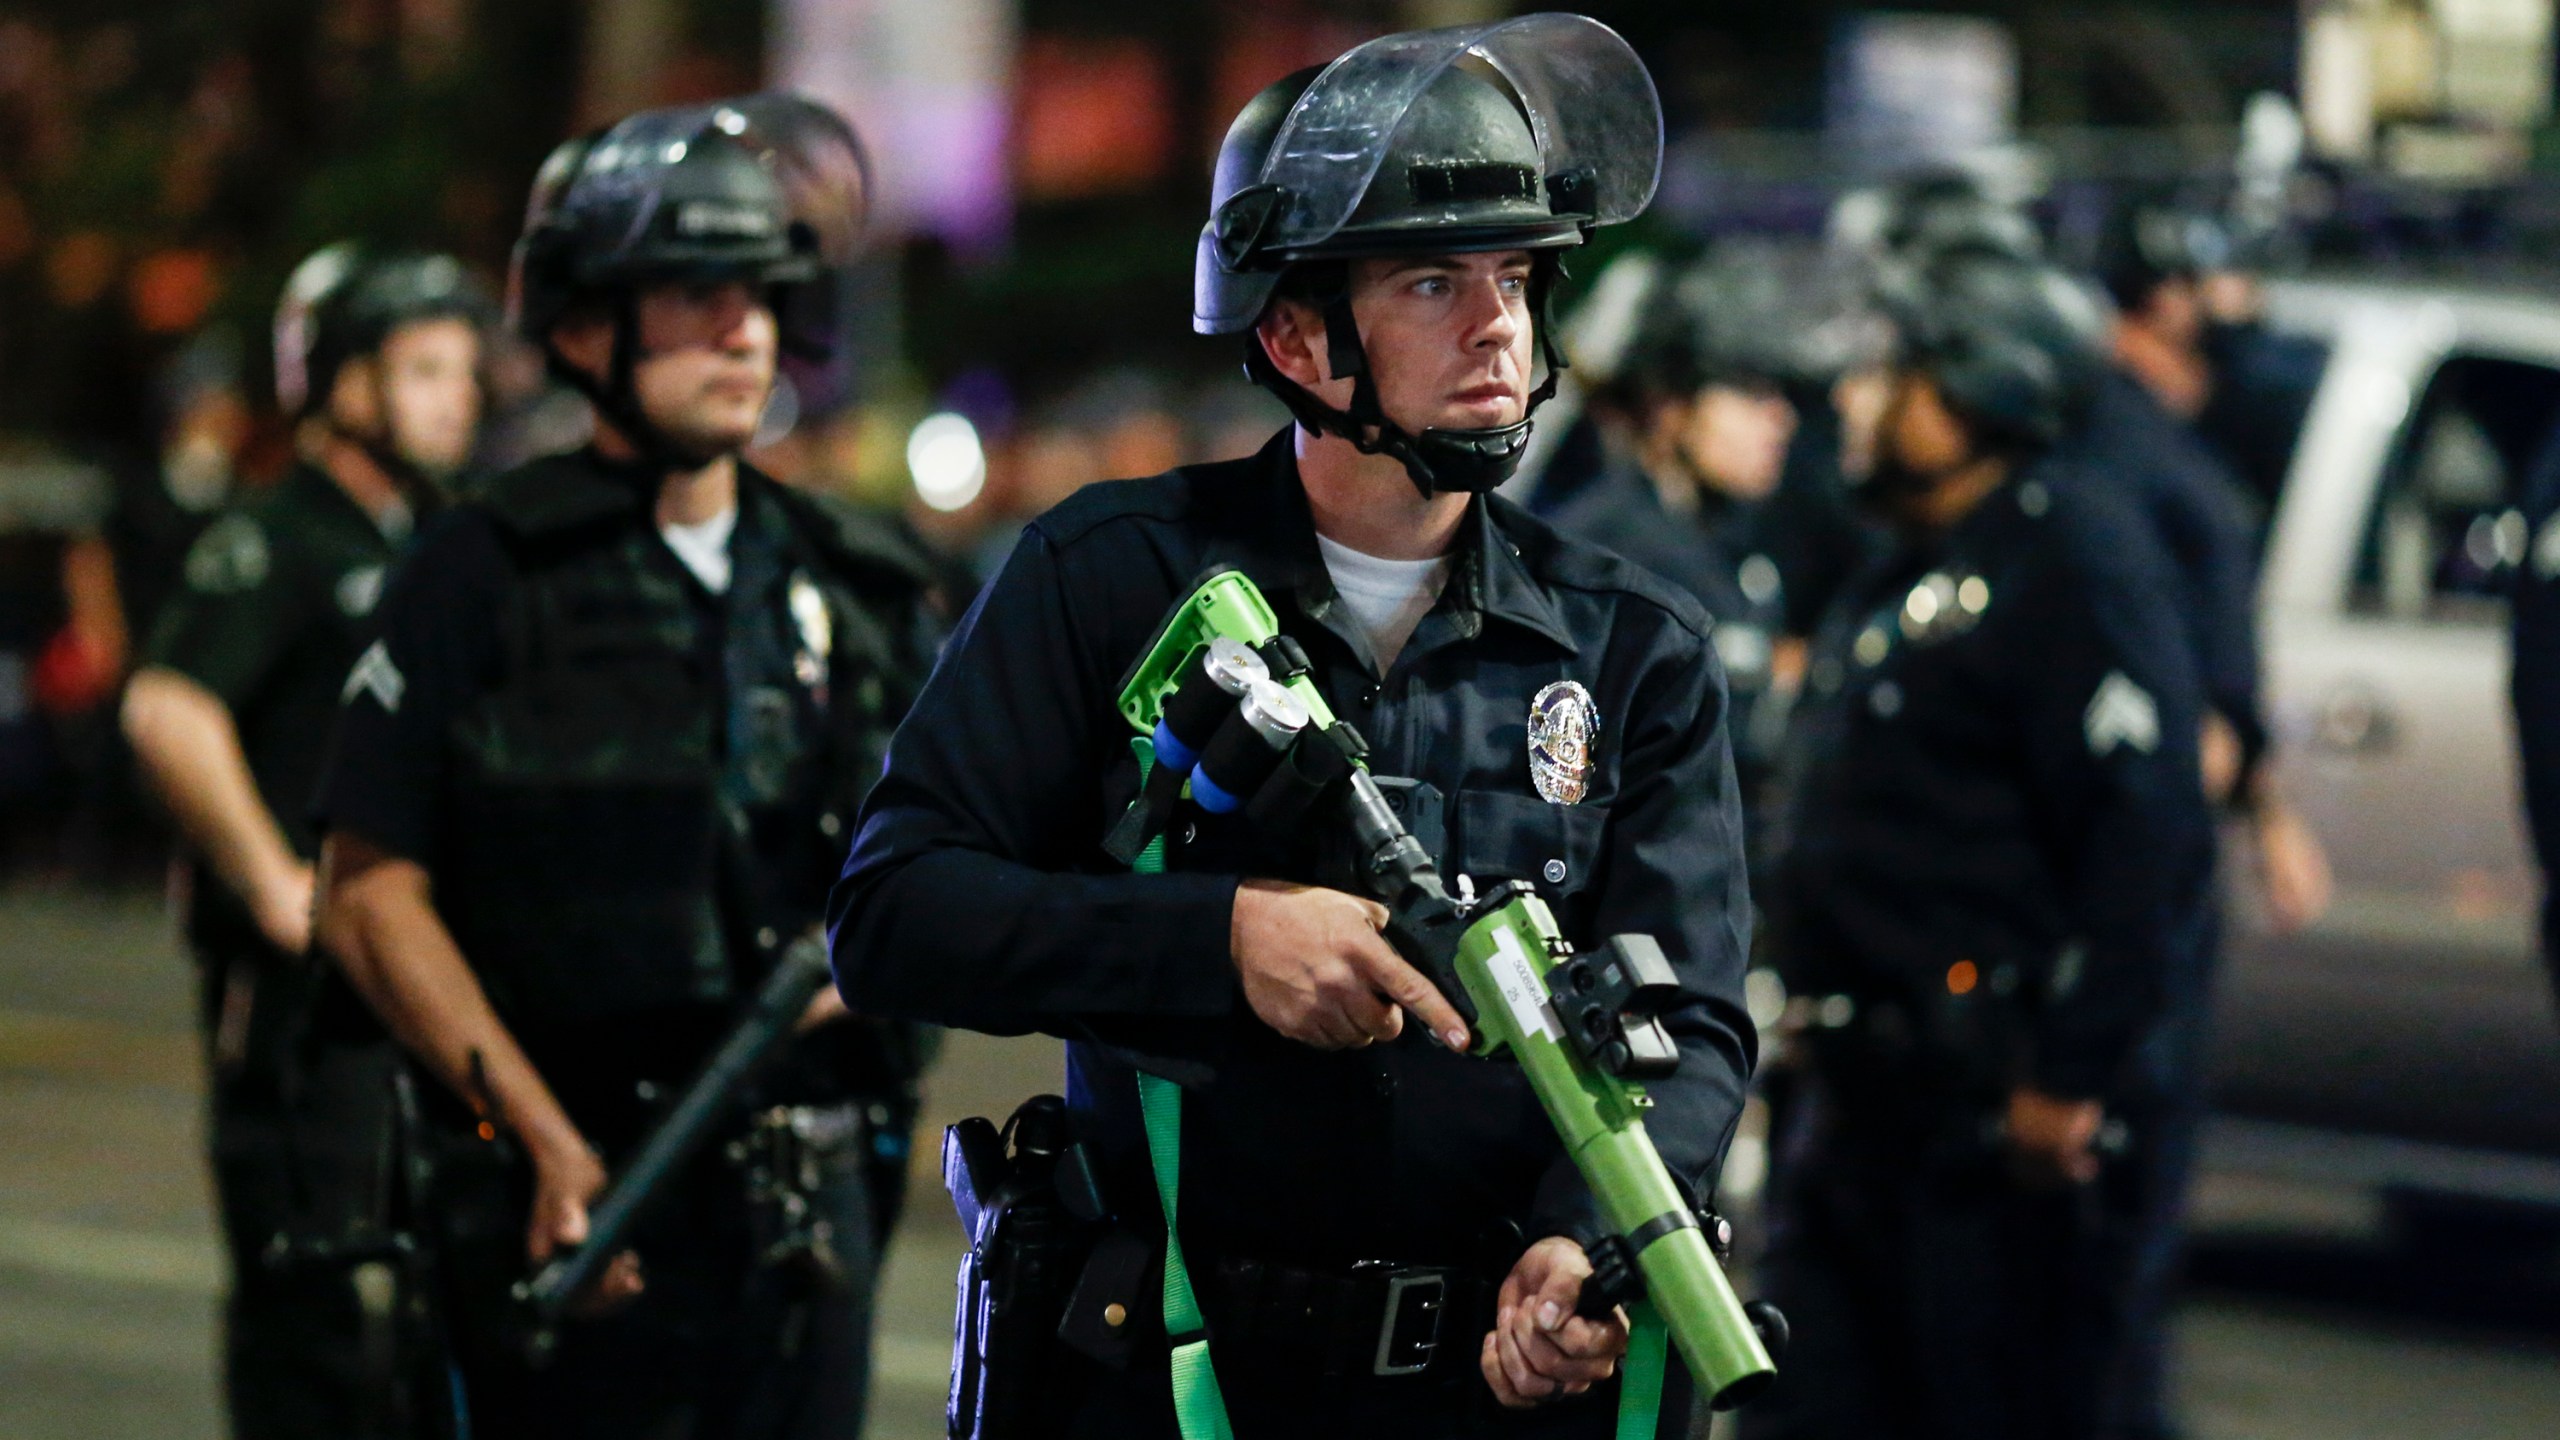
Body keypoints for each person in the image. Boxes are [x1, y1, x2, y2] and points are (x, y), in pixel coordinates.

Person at [831, 17, 1755, 1437]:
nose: (1497, 323)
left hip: (1487, 1396)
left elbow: (1687, 1018)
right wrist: (1220, 939)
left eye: (1516, 277)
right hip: (1173, 1380)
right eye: (1434, 280)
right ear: (1294, 333)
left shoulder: (1637, 649)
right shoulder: (1106, 577)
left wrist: (1592, 1244)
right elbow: (896, 913)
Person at [309, 95, 941, 1439]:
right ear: (588, 322)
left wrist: (880, 952)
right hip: (568, 1194)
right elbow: (366, 889)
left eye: (763, 292)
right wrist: (540, 1138)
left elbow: (965, 851)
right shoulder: (480, 570)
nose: (742, 329)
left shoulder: (861, 579)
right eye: (695, 293)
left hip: (806, 1204)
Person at [1745, 252, 2216, 1440]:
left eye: (1883, 370)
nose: (1848, 397)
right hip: (1856, 1103)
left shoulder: (2071, 559)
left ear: (1972, 389)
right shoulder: (1905, 567)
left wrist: (2068, 1074)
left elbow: (2147, 833)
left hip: (1983, 1117)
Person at [122, 244, 487, 1439]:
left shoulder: (429, 542)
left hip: (408, 993)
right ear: (342, 385)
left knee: (423, 1324)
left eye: (463, 370)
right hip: (298, 1009)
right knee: (310, 1324)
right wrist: (273, 882)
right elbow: (168, 705)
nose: (458, 395)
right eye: (425, 368)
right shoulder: (279, 537)